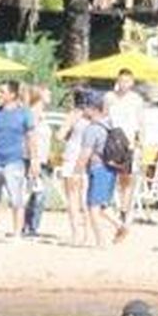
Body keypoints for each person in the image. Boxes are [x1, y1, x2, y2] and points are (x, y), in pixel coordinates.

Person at [0, 81, 37, 237]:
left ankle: (17, 233)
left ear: (12, 95)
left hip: (14, 161)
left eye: (2, 92)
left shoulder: (24, 113)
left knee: (16, 200)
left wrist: (34, 160)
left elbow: (31, 138)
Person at [77, 90, 129, 247]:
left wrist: (77, 171)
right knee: (101, 205)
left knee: (92, 206)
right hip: (110, 169)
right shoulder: (108, 125)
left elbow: (85, 153)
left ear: (92, 109)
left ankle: (101, 241)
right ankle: (121, 226)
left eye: (84, 107)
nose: (82, 110)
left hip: (98, 169)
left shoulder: (92, 129)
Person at [104, 70, 147, 220]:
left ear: (132, 83)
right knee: (110, 175)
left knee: (127, 178)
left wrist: (140, 144)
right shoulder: (109, 98)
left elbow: (141, 123)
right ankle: (107, 205)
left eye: (127, 81)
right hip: (112, 140)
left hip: (128, 142)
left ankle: (124, 210)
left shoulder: (136, 100)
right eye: (122, 81)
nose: (124, 84)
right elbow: (105, 118)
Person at [57, 90, 89, 246]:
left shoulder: (74, 114)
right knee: (85, 198)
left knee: (72, 199)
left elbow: (59, 135)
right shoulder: (92, 116)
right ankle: (88, 232)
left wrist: (69, 135)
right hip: (88, 159)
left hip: (72, 157)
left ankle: (76, 233)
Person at [22, 86, 53, 238]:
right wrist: (34, 159)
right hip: (33, 158)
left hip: (42, 158)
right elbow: (30, 138)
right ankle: (29, 226)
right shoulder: (33, 114)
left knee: (37, 193)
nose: (50, 94)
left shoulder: (42, 115)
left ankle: (30, 226)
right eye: (47, 91)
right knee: (37, 193)